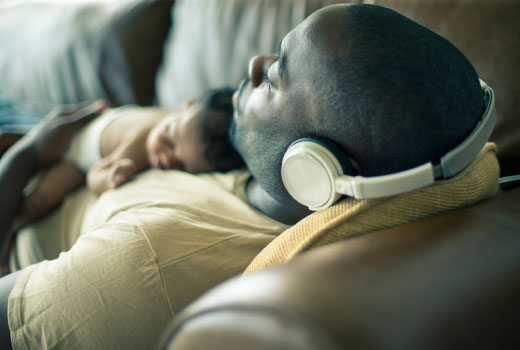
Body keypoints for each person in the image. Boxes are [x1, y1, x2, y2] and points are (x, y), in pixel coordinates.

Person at [0, 4, 496, 349]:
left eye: (276, 76)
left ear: (314, 171)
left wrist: (24, 156)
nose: (256, 64)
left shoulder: (145, 271)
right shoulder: (250, 164)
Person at [11, 88, 243, 231]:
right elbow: (94, 174)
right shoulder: (139, 145)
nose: (165, 158)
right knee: (39, 200)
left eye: (181, 165)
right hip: (79, 151)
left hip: (96, 127)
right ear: (184, 106)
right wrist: (109, 177)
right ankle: (9, 234)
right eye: (169, 140)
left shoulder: (174, 124)